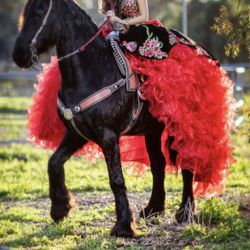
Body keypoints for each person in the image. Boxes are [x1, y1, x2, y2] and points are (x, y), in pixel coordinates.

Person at [27, 0, 235, 197]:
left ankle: (147, 95)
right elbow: (110, 20)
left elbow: (143, 16)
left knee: (155, 69)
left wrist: (122, 23)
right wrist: (109, 22)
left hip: (138, 34)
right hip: (115, 35)